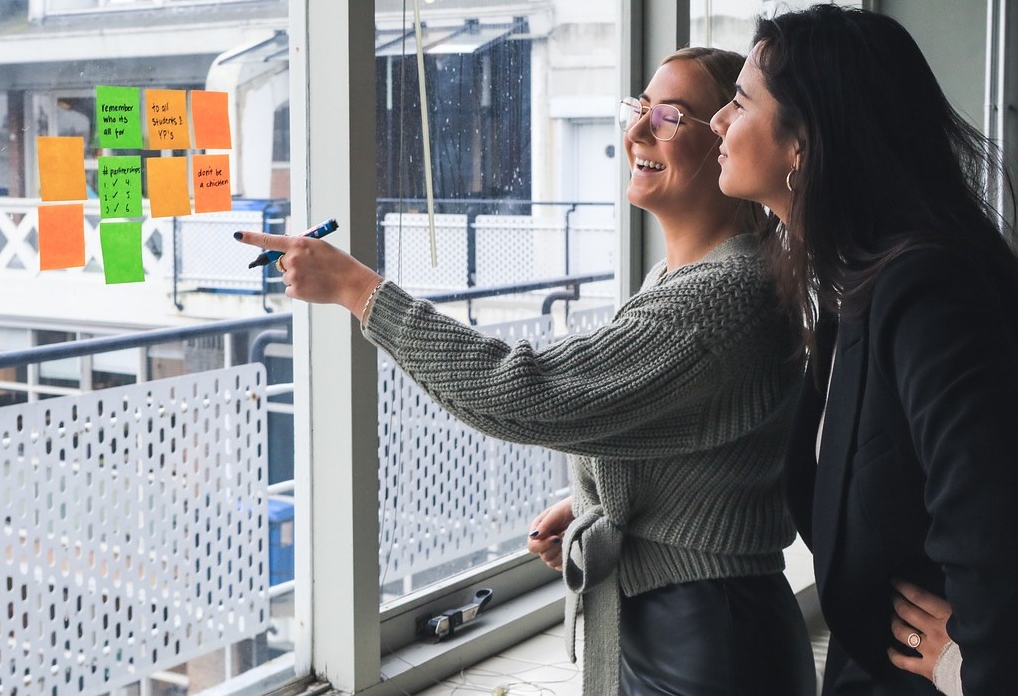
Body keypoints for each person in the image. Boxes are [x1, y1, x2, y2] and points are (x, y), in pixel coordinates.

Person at [236, 47, 815, 695]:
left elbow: (524, 392)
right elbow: (712, 445)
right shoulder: (703, 275)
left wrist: (359, 290)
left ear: (725, 137)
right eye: (638, 109)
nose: (635, 133)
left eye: (669, 118)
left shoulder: (721, 296)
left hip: (711, 645)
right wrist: (599, 501)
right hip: (692, 621)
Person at [709, 3, 1018, 695]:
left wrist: (974, 667)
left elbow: (999, 524)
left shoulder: (926, 291)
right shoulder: (851, 287)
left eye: (738, 103)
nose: (718, 121)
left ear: (802, 141)